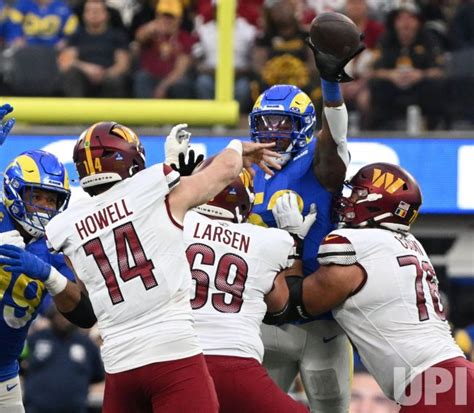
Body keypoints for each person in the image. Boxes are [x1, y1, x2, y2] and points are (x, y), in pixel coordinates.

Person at [41, 121, 279, 412]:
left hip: (120, 367)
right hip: (174, 357)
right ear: (131, 159)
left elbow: (84, 309)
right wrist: (237, 148)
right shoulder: (156, 191)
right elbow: (224, 172)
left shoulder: (67, 226)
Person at [274, 162, 474, 412]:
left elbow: (293, 304)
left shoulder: (354, 243)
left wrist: (292, 240)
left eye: (358, 193)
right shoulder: (411, 243)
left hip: (435, 384)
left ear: (377, 202)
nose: (348, 199)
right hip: (453, 376)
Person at [247, 27, 364, 412]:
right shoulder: (248, 169)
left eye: (283, 123)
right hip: (267, 316)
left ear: (304, 127)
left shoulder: (316, 160)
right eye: (266, 122)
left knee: (330, 408)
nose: (272, 132)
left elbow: (335, 143)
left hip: (320, 315)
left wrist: (330, 86)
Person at [182, 167, 314, 413]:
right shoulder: (268, 241)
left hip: (177, 363)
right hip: (235, 362)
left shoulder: (176, 224)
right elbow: (278, 308)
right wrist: (293, 237)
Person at [0, 105, 92, 413]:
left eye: (50, 199)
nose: (43, 207)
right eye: (36, 197)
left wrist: (49, 276)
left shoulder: (53, 248)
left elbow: (85, 315)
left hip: (5, 378)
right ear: (15, 191)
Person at [23, 305, 104, 413]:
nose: (63, 319)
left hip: (75, 409)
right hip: (36, 409)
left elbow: (98, 376)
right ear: (52, 316)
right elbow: (19, 367)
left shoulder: (87, 344)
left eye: (67, 316)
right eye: (59, 315)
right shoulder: (35, 339)